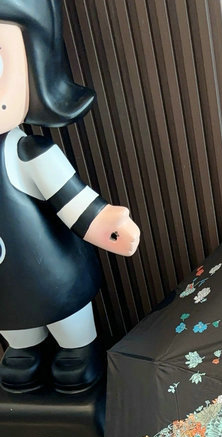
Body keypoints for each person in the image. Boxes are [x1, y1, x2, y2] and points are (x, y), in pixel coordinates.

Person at [0, 0, 139, 393]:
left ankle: (78, 348)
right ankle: (22, 349)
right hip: (6, 284)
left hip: (50, 269)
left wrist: (105, 222)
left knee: (67, 317)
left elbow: (72, 200)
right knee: (13, 322)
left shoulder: (30, 153)